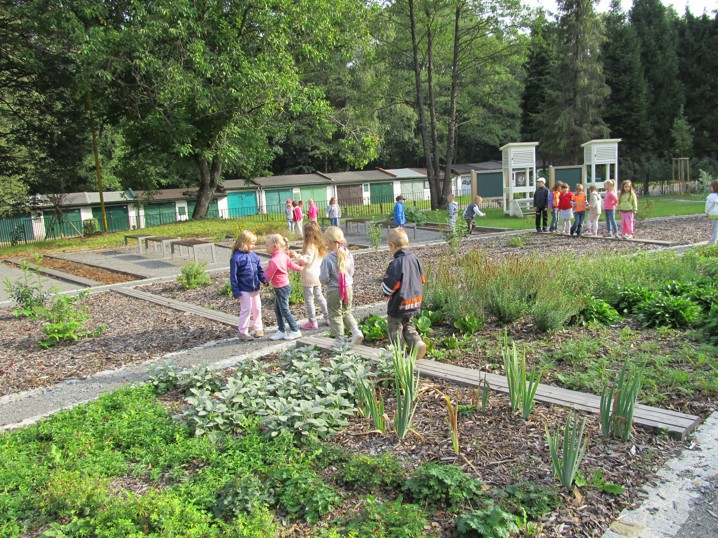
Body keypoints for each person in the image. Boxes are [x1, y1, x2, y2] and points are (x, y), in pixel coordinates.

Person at [382, 228, 427, 360]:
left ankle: (401, 356)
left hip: (398, 304)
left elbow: (389, 288)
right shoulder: (415, 259)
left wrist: (383, 289)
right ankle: (417, 343)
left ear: (392, 245)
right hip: (414, 301)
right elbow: (422, 279)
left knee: (394, 329)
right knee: (408, 324)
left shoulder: (396, 263)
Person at [320, 226, 363, 348]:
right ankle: (356, 331)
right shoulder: (348, 254)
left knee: (335, 314)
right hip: (348, 288)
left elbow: (324, 278)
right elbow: (352, 271)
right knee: (347, 311)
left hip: (334, 290)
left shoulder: (327, 259)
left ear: (328, 241)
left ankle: (340, 340)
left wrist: (327, 282)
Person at [289, 222, 330, 330]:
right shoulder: (320, 245)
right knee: (320, 297)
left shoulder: (309, 245)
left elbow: (307, 259)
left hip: (309, 276)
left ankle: (312, 321)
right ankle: (328, 317)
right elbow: (314, 260)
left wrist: (296, 256)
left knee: (309, 300)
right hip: (317, 274)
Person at [230, 231, 268, 340]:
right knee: (246, 309)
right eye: (251, 243)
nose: (253, 246)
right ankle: (243, 332)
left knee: (257, 308)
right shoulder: (236, 258)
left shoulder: (254, 255)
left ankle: (258, 328)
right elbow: (233, 276)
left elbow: (259, 270)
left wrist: (263, 280)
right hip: (244, 289)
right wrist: (236, 291)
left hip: (255, 287)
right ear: (243, 243)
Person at [264, 234, 303, 340]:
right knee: (278, 310)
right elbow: (292, 266)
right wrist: (301, 268)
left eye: (267, 245)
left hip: (281, 288)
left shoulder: (273, 261)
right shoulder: (283, 255)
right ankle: (281, 330)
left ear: (275, 246)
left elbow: (267, 276)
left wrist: (261, 280)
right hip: (285, 286)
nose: (265, 247)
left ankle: (295, 330)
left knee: (284, 310)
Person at [706, 180, 718, 244]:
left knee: (714, 229)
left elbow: (707, 206)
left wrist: (706, 212)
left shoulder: (710, 196)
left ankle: (712, 242)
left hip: (714, 214)